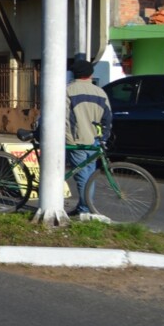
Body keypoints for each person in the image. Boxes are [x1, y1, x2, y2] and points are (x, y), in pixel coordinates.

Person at [65, 59, 113, 217]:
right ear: (91, 74)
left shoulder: (68, 91)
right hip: (94, 141)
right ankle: (83, 207)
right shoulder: (101, 92)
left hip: (76, 140)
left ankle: (86, 210)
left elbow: (62, 117)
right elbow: (108, 118)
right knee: (89, 174)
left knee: (82, 176)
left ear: (74, 74)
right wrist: (102, 138)